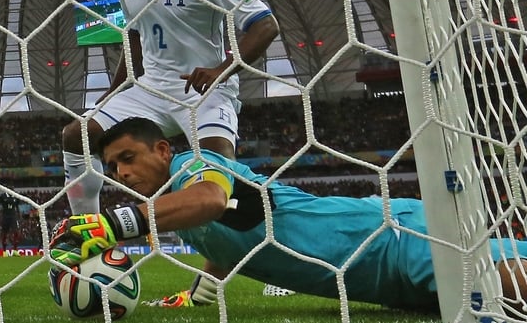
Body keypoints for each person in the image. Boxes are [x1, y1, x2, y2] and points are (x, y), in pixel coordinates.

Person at [50, 117, 527, 313]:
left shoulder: (196, 167)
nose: (121, 172)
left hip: (391, 237)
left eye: (128, 158)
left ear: (161, 149)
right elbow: (229, 241)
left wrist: (115, 224)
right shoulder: (172, 208)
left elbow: (212, 201)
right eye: (112, 167)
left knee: (496, 283)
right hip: (383, 284)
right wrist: (197, 295)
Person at [61, 0, 280, 216]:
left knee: (218, 165)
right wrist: (115, 89)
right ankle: (85, 225)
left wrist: (220, 70)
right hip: (151, 90)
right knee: (76, 134)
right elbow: (134, 35)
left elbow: (266, 25)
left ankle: (236, 232)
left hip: (204, 92)